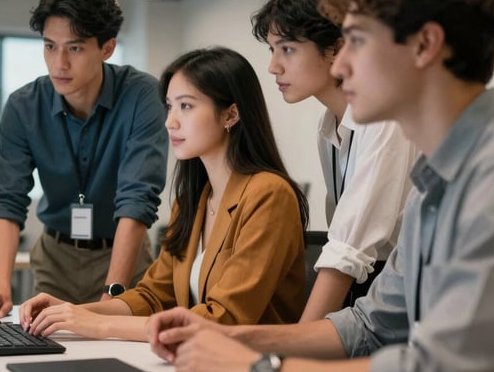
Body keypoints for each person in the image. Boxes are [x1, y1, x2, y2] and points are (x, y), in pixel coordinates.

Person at [145, 0, 494, 372]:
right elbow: (370, 323)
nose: (342, 64)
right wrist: (235, 338)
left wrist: (263, 369)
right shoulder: (432, 182)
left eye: (357, 42)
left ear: (424, 45)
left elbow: (445, 369)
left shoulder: (491, 177)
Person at [16, 47, 308, 341]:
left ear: (230, 114)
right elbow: (153, 296)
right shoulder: (193, 200)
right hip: (196, 362)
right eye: (169, 106)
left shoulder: (269, 194)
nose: (170, 121)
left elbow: (226, 318)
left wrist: (96, 325)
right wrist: (72, 311)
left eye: (186, 106)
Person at [0, 0, 168, 316]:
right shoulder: (23, 106)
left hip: (122, 256)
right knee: (45, 354)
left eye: (74, 48)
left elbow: (138, 197)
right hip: (55, 257)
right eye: (49, 46)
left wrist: (114, 292)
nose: (59, 63)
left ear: (106, 48)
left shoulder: (142, 95)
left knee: (127, 358)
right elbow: (7, 198)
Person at [251, 0, 418, 322]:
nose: (273, 66)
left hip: (414, 297)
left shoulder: (385, 118)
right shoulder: (330, 126)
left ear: (337, 48)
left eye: (288, 49)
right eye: (272, 49)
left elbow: (349, 250)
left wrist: (299, 347)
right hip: (370, 291)